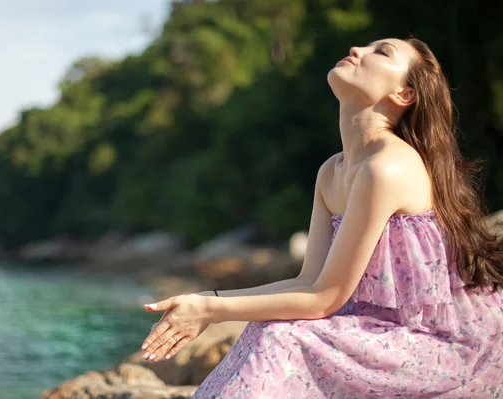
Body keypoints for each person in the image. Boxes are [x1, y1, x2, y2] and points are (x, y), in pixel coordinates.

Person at [140, 37, 503, 398]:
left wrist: (210, 310)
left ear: (404, 94)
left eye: (382, 52)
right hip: (374, 333)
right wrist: (209, 298)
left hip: (438, 344)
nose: (358, 50)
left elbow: (325, 297)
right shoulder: (332, 171)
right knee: (265, 327)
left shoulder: (388, 167)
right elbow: (309, 279)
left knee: (282, 336)